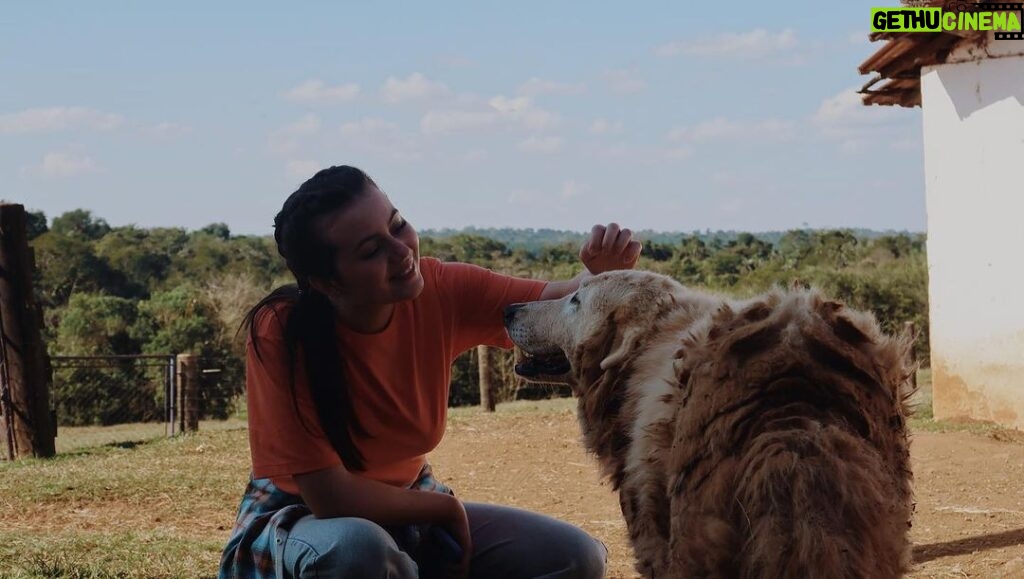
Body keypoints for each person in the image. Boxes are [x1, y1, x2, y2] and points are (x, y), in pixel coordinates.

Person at [219, 165, 642, 579]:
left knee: (574, 557)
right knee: (355, 551)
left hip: (409, 506)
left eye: (397, 225)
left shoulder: (438, 288)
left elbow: (549, 305)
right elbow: (328, 497)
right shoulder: (281, 329)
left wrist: (597, 275)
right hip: (304, 523)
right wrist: (444, 507)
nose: (402, 251)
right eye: (371, 251)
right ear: (327, 282)